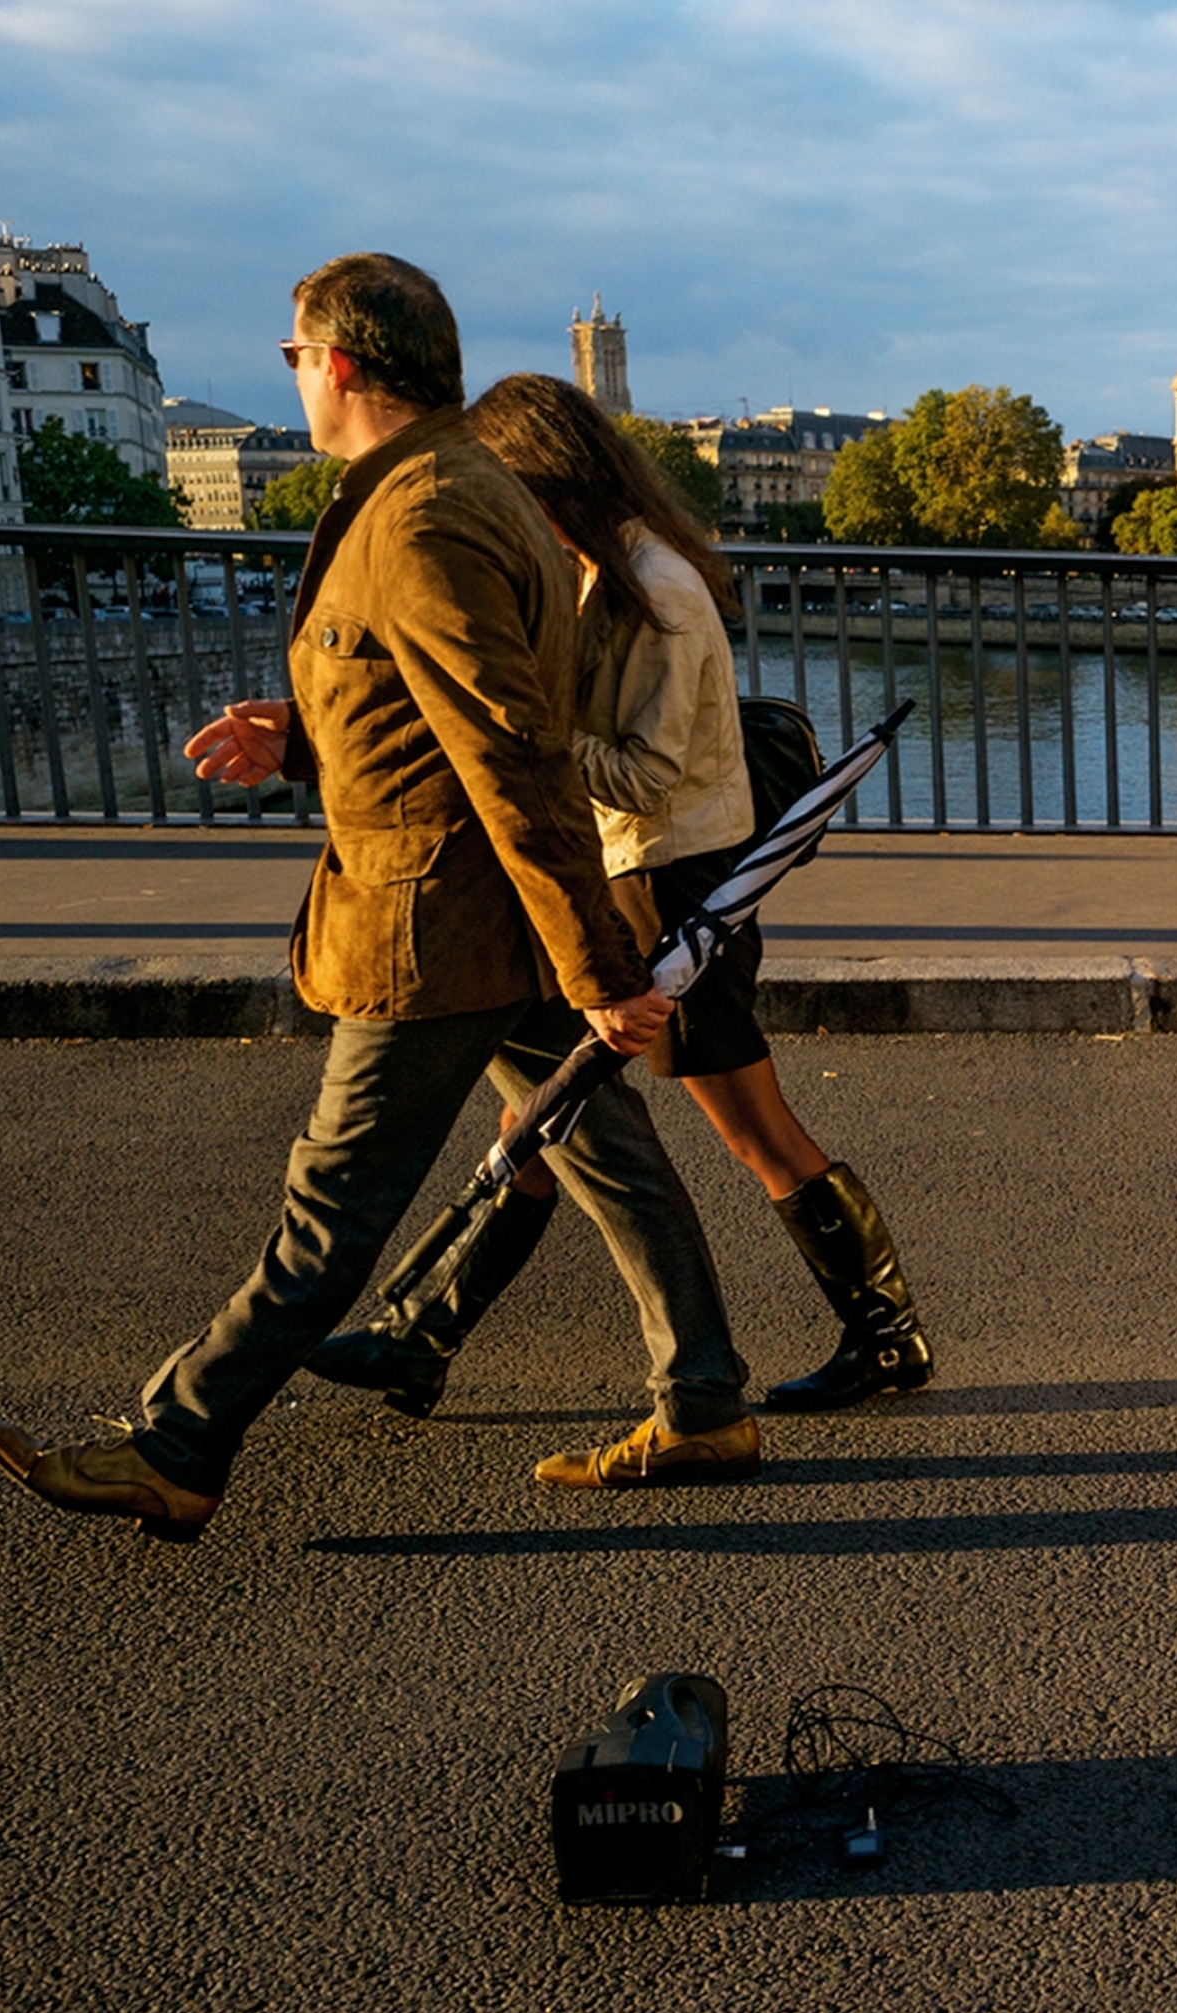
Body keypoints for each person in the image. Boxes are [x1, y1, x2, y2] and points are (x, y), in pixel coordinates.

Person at [0, 253, 759, 1539]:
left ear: (335, 363)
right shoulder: (457, 487)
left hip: (434, 925)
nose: (294, 376)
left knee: (329, 1207)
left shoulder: (425, 511)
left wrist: (606, 971)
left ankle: (178, 1442)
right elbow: (443, 713)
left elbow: (511, 753)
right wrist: (304, 738)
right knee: (609, 1159)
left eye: (294, 357)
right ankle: (706, 1399)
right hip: (483, 915)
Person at [302, 373, 932, 1416]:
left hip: (679, 890)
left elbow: (642, 775)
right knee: (546, 1111)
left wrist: (526, 736)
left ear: (545, 477)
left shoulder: (658, 589)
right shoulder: (602, 573)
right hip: (632, 877)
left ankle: (886, 1338)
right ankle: (420, 1332)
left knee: (751, 1131)